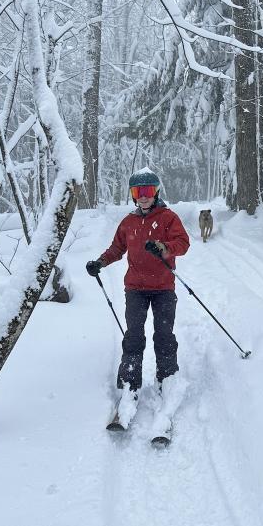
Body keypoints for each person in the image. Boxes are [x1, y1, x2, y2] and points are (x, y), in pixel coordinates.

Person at [86, 169, 190, 394]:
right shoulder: (128, 222)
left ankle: (167, 377)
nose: (143, 196)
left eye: (148, 190)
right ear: (133, 194)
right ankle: (130, 379)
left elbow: (182, 243)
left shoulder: (168, 217)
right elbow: (117, 248)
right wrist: (100, 262)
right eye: (138, 191)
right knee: (133, 334)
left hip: (163, 288)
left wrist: (163, 248)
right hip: (135, 289)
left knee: (164, 335)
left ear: (156, 192)